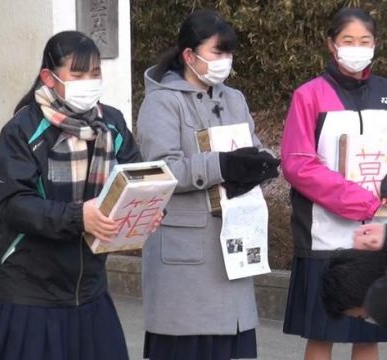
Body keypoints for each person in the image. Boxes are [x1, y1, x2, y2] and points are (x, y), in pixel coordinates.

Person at [0, 31, 143, 360]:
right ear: (49, 77)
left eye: (95, 73)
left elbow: (133, 177)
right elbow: (15, 205)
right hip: (31, 289)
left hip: (89, 286)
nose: (90, 82)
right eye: (79, 74)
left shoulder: (110, 124)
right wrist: (79, 216)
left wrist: (147, 208)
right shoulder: (22, 130)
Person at [136, 9, 280, 360]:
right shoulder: (162, 101)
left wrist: (260, 162)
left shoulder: (234, 98)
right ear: (189, 54)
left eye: (229, 53)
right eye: (218, 52)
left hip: (234, 246)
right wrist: (222, 165)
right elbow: (162, 170)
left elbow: (250, 144)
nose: (225, 61)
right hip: (184, 259)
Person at [281, 7, 387, 360]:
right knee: (321, 334)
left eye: (365, 41)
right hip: (322, 236)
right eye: (348, 41)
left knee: (368, 334)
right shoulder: (309, 95)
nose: (357, 48)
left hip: (378, 236)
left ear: (376, 44)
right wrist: (364, 202)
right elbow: (298, 165)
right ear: (331, 44)